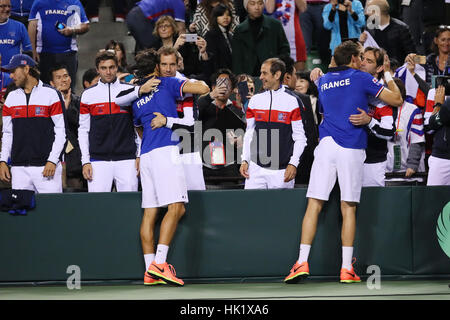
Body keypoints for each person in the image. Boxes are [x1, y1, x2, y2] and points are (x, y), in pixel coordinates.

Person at [284, 40, 403, 284]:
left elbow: (324, 72)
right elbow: (397, 99)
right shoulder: (361, 78)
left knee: (314, 204)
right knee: (348, 207)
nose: (362, 61)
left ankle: (301, 262)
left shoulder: (323, 80)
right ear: (352, 59)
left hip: (326, 146)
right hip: (351, 147)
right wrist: (388, 71)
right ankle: (346, 268)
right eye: (360, 57)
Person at [115, 48, 210, 286]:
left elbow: (139, 128)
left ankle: (149, 271)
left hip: (146, 155)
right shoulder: (167, 83)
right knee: (177, 208)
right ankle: (160, 263)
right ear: (157, 67)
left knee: (150, 212)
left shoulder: (136, 96)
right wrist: (178, 79)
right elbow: (204, 89)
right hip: (166, 152)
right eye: (163, 65)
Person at [0, 54, 66, 193]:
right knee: (21, 213)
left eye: (13, 71)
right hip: (19, 169)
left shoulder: (51, 94)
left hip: (46, 167)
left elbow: (61, 131)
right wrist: (3, 161)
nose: (11, 76)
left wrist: (53, 160)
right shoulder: (11, 98)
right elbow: (7, 134)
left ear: (26, 68)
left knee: (51, 213)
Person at [240, 58, 307, 189]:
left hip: (282, 172)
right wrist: (245, 159)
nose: (260, 77)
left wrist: (293, 164)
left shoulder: (293, 101)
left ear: (277, 75)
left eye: (264, 73)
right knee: (251, 209)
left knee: (281, 210)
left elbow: (300, 137)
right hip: (255, 170)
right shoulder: (255, 101)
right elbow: (249, 133)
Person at [78, 50, 139, 192]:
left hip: (127, 159)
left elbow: (138, 127)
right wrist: (85, 161)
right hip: (97, 161)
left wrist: (139, 155)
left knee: (129, 207)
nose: (108, 72)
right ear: (98, 70)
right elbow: (83, 130)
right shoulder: (88, 95)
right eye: (104, 68)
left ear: (117, 67)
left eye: (111, 67)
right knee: (97, 208)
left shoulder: (130, 91)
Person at [155, 46, 206, 191]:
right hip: (162, 148)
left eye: (172, 64)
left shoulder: (186, 88)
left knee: (196, 196)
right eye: (164, 64)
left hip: (187, 148)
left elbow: (190, 123)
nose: (168, 69)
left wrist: (166, 121)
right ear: (158, 66)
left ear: (178, 64)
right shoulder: (152, 86)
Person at [198, 68, 246, 183]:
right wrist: (210, 96)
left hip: (229, 167)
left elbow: (243, 141)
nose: (223, 88)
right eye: (220, 84)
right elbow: (196, 109)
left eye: (227, 85)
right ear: (213, 87)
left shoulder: (237, 111)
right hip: (204, 166)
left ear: (232, 90)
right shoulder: (203, 106)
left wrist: (239, 143)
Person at [28, 0, 89, 88]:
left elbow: (85, 25)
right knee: (45, 89)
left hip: (68, 53)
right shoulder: (39, 2)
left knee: (68, 88)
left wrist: (72, 30)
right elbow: (32, 26)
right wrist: (33, 51)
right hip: (44, 54)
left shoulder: (74, 2)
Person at [281, 56, 319, 186]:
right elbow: (310, 134)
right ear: (288, 77)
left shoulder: (261, 98)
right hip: (300, 163)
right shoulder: (302, 99)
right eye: (294, 75)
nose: (296, 81)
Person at [360, 47, 395, 187]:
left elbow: (388, 132)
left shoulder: (384, 97)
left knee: (371, 204)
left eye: (369, 61)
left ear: (379, 67)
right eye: (362, 58)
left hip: (373, 161)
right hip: (349, 157)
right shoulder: (352, 83)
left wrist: (369, 121)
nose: (362, 63)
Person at [231, 0, 290, 77]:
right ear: (246, 6)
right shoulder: (240, 30)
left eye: (260, 3)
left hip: (272, 75)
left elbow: (284, 50)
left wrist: (276, 68)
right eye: (252, 3)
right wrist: (241, 81)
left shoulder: (275, 25)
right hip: (248, 77)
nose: (257, 7)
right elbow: (237, 59)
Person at [49, 64, 84, 189]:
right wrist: (60, 106)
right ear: (52, 83)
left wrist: (67, 108)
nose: (63, 80)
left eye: (65, 76)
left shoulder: (80, 102)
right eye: (59, 77)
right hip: (52, 160)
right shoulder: (47, 103)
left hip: (74, 163)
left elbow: (81, 127)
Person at [152, 15, 211, 83]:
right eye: (160, 26)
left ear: (173, 28)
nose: (163, 29)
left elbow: (193, 68)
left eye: (167, 26)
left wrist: (203, 52)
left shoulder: (184, 45)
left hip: (185, 79)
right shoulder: (154, 47)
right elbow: (155, 69)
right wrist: (175, 48)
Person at [386, 78, 425, 179]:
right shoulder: (380, 109)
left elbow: (417, 140)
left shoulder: (413, 110)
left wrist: (413, 164)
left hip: (408, 172)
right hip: (386, 170)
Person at [265, 0, 307, 71]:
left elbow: (303, 8)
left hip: (294, 37)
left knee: (299, 74)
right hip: (276, 38)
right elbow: (269, 9)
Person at [424, 85, 450, 185]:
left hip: (443, 158)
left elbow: (432, 124)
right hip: (442, 157)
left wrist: (438, 104)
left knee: (434, 199)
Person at [300, 0, 332, 67]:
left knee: (323, 39)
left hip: (323, 5)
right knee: (304, 40)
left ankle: (326, 68)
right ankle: (303, 71)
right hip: (304, 5)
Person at [0, 0, 32, 67]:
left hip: (14, 73)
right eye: (2, 6)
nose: (7, 9)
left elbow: (28, 51)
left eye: (9, 6)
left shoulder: (19, 26)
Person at [204, 3, 234, 72]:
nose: (225, 17)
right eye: (221, 15)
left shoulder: (229, 35)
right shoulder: (211, 35)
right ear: (215, 17)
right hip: (218, 75)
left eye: (228, 15)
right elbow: (213, 60)